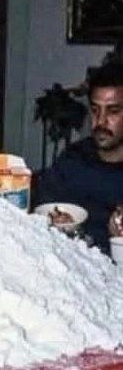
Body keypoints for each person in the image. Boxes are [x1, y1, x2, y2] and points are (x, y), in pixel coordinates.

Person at [35, 62, 123, 253]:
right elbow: (45, 212)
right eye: (95, 110)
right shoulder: (72, 160)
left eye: (113, 111)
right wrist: (56, 221)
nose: (101, 121)